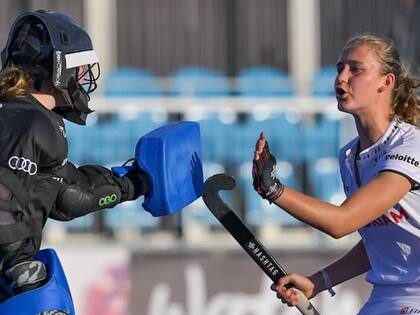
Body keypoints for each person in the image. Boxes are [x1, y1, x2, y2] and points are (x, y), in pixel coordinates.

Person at [252, 34, 420, 314]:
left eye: (356, 69)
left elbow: (342, 223)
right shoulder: (348, 156)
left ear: (386, 82)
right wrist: (317, 282)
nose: (341, 78)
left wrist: (274, 190)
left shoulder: (411, 146)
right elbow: (382, 243)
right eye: (340, 68)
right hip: (386, 296)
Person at [0, 10, 149, 303]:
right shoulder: (29, 121)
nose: (83, 78)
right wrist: (19, 268)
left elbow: (68, 193)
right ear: (59, 69)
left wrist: (135, 183)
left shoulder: (28, 116)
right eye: (79, 68)